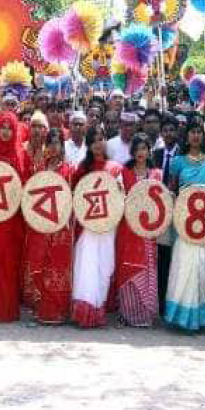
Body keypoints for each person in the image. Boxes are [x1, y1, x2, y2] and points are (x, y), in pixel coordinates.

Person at [164, 117, 205, 331]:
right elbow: (171, 193)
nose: (196, 135)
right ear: (187, 135)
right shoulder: (177, 162)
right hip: (183, 223)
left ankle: (195, 320)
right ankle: (177, 317)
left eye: (199, 131)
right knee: (182, 267)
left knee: (199, 268)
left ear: (204, 135)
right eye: (192, 132)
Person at [71, 124, 122, 328]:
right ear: (89, 144)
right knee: (85, 266)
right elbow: (74, 196)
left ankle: (98, 308)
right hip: (86, 226)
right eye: (93, 140)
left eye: (101, 139)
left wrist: (118, 190)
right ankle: (84, 311)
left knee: (104, 266)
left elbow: (120, 198)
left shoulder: (115, 168)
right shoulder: (82, 169)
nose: (97, 143)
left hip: (108, 225)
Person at [23, 128, 74, 324]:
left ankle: (58, 312)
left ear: (62, 146)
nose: (53, 147)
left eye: (57, 143)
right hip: (40, 226)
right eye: (50, 143)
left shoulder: (69, 170)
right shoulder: (39, 170)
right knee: (39, 266)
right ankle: (41, 309)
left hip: (60, 228)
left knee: (57, 268)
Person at [0, 111, 27, 323]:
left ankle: (7, 307)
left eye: (10, 128)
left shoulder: (20, 155)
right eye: (3, 127)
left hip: (13, 216)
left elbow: (25, 185)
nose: (6, 132)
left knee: (10, 261)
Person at [115, 133, 161, 327]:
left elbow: (161, 203)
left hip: (149, 230)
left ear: (149, 150)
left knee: (147, 268)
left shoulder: (156, 174)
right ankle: (128, 313)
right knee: (128, 267)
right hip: (128, 227)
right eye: (137, 149)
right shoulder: (124, 172)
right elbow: (118, 199)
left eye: (144, 148)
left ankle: (145, 314)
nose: (141, 153)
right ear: (132, 151)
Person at [153, 114, 180, 313]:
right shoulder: (157, 153)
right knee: (160, 256)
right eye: (166, 130)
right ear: (161, 133)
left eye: (172, 130)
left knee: (174, 256)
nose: (169, 133)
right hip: (159, 209)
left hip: (178, 209)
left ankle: (171, 301)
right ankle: (160, 302)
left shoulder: (183, 155)